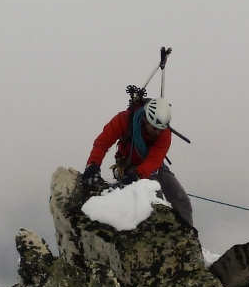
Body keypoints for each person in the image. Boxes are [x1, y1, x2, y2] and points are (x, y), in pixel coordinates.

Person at [82, 98, 194, 228]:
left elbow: (155, 158)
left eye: (161, 129)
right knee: (154, 199)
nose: (158, 133)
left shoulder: (164, 132)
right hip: (129, 164)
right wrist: (93, 165)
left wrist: (137, 175)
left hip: (153, 166)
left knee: (181, 199)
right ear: (146, 119)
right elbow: (103, 142)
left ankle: (189, 236)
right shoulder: (124, 120)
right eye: (154, 128)